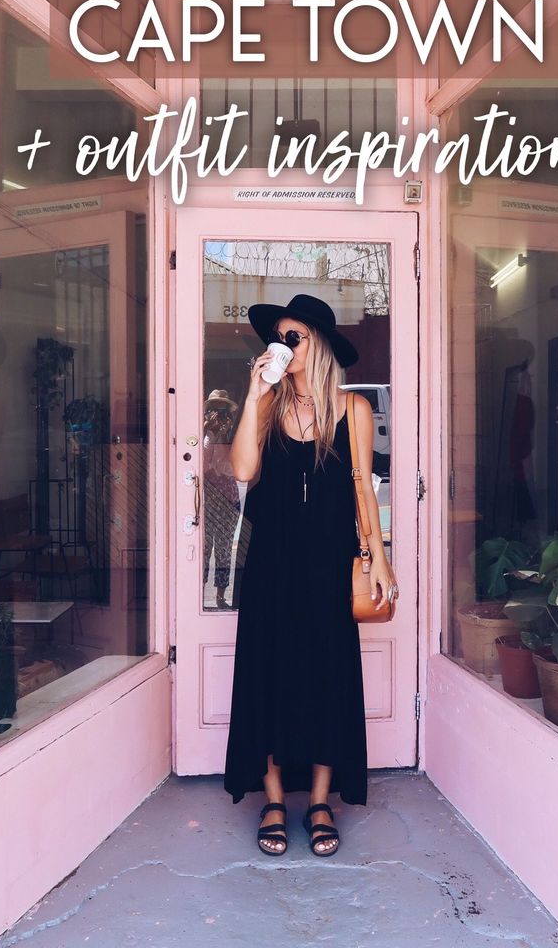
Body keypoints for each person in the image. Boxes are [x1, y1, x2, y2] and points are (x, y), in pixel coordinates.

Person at [223, 294, 398, 857]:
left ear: (317, 343)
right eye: (278, 337)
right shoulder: (268, 408)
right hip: (272, 563)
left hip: (327, 566)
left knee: (328, 677)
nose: (282, 346)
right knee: (267, 675)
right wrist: (253, 396)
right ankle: (273, 798)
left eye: (293, 337)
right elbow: (243, 471)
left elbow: (361, 491)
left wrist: (380, 557)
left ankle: (321, 801)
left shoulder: (352, 411)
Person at [202, 389, 241, 610]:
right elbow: (202, 463)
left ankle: (220, 595)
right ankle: (202, 591)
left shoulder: (234, 434)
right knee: (205, 547)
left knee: (223, 548)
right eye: (215, 409)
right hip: (211, 495)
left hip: (227, 494)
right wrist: (210, 433)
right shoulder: (205, 433)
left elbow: (234, 466)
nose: (219, 414)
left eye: (223, 410)